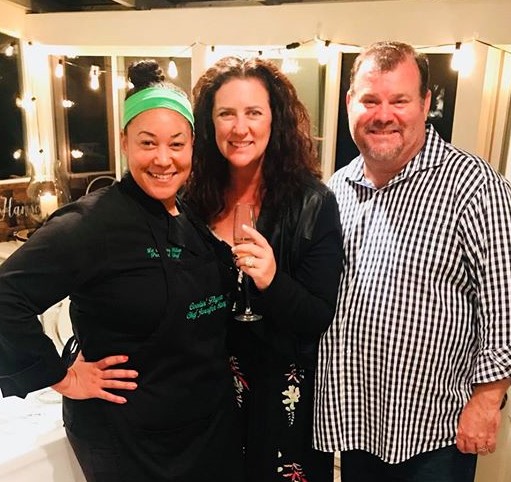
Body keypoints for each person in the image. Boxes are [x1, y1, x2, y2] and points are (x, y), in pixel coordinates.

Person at [0, 60, 243, 482]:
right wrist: (61, 376)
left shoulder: (187, 214)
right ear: (124, 142)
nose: (163, 159)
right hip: (130, 439)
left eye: (177, 144)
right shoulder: (90, 223)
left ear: (192, 147)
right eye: (148, 143)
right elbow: (6, 296)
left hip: (204, 427)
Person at [314, 40, 511, 482]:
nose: (383, 115)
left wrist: (487, 401)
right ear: (349, 103)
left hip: (434, 434)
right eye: (370, 100)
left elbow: (506, 307)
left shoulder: (475, 187)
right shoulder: (337, 189)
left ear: (425, 103)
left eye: (399, 101)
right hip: (356, 423)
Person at [184, 56, 343, 482]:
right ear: (209, 124)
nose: (240, 128)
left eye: (253, 112)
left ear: (276, 120)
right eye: (226, 114)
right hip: (207, 395)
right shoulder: (191, 201)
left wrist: (272, 281)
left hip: (281, 404)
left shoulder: (313, 204)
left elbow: (317, 316)